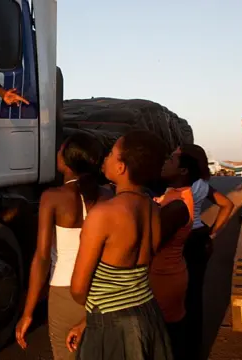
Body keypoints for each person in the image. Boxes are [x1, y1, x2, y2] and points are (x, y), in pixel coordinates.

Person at [66, 130, 173, 360]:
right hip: (148, 315)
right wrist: (87, 321)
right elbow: (130, 283)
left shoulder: (103, 214)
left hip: (114, 327)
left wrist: (97, 315)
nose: (105, 158)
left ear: (121, 167)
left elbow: (78, 289)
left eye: (112, 153)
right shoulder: (153, 210)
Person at [15, 132, 111, 360]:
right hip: (101, 290)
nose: (57, 153)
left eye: (60, 150)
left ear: (67, 159)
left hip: (65, 292)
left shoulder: (53, 197)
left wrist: (28, 312)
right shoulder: (107, 195)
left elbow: (42, 257)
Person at [179, 144, 234, 360]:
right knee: (194, 295)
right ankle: (196, 347)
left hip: (184, 240)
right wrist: (212, 233)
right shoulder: (203, 184)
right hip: (200, 237)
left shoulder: (180, 187)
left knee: (179, 297)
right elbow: (227, 205)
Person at [150, 148, 202, 360]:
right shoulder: (173, 194)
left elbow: (152, 243)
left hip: (164, 278)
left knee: (164, 339)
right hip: (165, 274)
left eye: (170, 160)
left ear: (182, 170)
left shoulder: (178, 205)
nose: (165, 162)